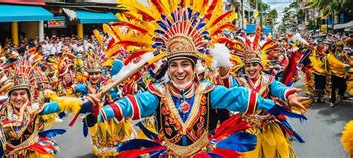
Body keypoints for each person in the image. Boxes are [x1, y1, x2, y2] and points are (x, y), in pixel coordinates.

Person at [79, 1, 308, 156]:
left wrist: (281, 103)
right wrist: (100, 111)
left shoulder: (207, 90)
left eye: (185, 65)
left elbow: (239, 96)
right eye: (174, 65)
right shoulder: (158, 93)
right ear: (167, 68)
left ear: (194, 66)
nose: (180, 71)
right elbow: (131, 104)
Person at [220, 27, 309, 158]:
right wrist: (224, 73)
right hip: (245, 127)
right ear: (244, 68)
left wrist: (290, 95)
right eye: (248, 66)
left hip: (269, 127)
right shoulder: (239, 82)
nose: (251, 69)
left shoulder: (268, 80)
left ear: (261, 66)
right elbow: (228, 88)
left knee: (278, 148)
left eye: (254, 65)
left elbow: (280, 89)